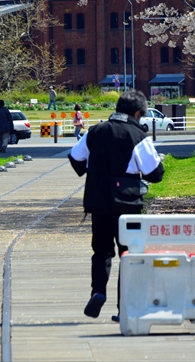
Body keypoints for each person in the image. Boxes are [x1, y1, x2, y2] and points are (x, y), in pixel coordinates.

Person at [69, 90, 164, 321]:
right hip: (128, 202)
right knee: (128, 253)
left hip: (98, 200)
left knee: (101, 251)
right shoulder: (137, 135)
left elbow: (75, 158)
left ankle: (98, 292)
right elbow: (155, 173)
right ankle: (125, 308)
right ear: (138, 112)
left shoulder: (95, 131)